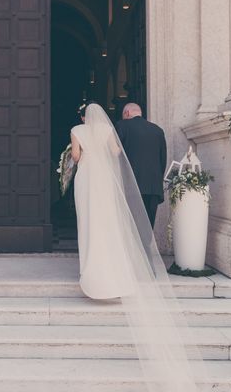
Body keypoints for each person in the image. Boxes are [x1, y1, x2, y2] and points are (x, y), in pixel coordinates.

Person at [69, 103, 200, 391]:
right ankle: (137, 265)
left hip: (104, 183)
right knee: (138, 228)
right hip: (147, 184)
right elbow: (121, 154)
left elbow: (78, 157)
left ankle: (110, 265)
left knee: (96, 224)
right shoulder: (152, 129)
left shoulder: (92, 129)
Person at [115, 103, 167, 228]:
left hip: (131, 185)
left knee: (131, 228)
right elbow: (163, 159)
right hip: (153, 187)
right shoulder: (158, 130)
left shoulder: (122, 125)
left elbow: (115, 155)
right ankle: (147, 248)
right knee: (148, 228)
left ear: (127, 113)